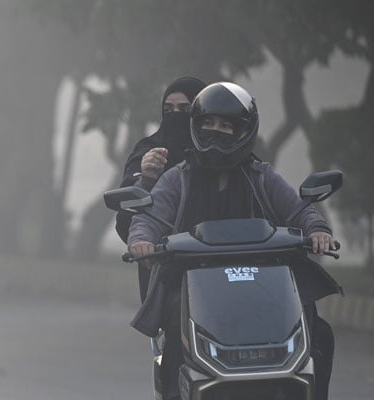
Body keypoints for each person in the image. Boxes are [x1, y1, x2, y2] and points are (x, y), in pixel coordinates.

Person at [127, 82, 339, 400]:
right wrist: (141, 241)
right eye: (208, 123)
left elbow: (299, 211)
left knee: (319, 334)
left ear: (244, 131)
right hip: (191, 289)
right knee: (175, 339)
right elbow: (148, 219)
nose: (216, 131)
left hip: (265, 291)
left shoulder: (262, 176)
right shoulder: (177, 179)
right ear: (195, 128)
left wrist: (318, 231)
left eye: (226, 125)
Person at [116, 76, 207, 302]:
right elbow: (127, 222)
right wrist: (146, 180)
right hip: (168, 272)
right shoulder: (149, 152)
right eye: (169, 109)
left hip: (221, 265)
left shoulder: (219, 153)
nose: (175, 115)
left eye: (184, 109)